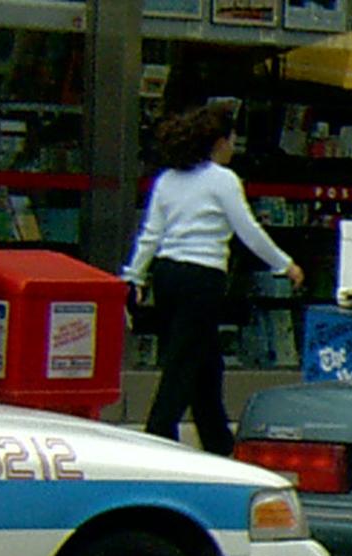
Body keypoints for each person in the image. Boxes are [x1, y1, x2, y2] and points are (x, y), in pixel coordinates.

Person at [121, 104, 305, 456]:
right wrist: (285, 264)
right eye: (232, 140)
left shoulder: (167, 180)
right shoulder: (223, 180)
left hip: (167, 273)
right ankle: (157, 434)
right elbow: (247, 230)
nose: (234, 147)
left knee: (204, 361)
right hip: (202, 276)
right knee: (184, 360)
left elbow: (151, 233)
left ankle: (218, 441)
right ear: (219, 142)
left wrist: (134, 274)